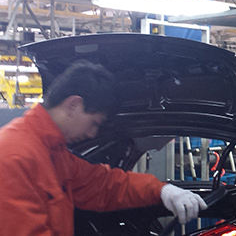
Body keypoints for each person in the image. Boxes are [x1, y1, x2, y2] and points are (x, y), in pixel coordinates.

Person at [0, 60, 207, 236]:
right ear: (73, 105)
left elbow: (105, 185)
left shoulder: (53, 152)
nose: (92, 134)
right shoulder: (14, 155)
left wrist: (162, 190)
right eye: (95, 123)